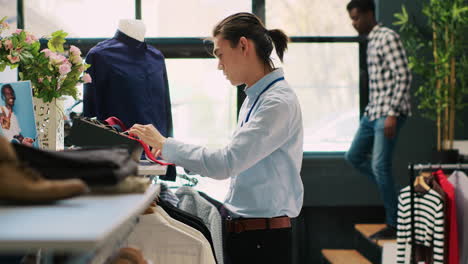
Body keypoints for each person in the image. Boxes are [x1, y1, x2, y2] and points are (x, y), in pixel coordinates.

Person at [129, 12, 304, 264]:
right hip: (251, 234)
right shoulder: (257, 97)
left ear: (243, 45)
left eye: (219, 54)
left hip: (262, 241)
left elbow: (226, 162)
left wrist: (165, 145)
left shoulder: (277, 103)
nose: (219, 65)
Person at [344, 0, 411, 239]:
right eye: (351, 19)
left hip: (387, 113)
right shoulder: (372, 40)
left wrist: (392, 112)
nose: (354, 23)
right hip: (373, 113)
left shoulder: (387, 37)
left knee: (379, 166)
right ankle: (403, 196)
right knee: (353, 157)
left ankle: (395, 224)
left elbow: (403, 75)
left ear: (369, 14)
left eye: (356, 18)